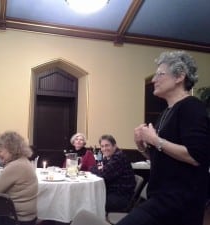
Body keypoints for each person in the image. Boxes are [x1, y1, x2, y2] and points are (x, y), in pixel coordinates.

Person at [117, 51, 210, 225]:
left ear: (180, 76)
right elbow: (161, 158)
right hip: (160, 197)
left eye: (160, 74)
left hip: (179, 202)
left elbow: (197, 157)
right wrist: (142, 147)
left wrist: (155, 140)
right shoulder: (166, 112)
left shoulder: (192, 107)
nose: (153, 80)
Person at [0, 131, 38, 225]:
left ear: (12, 149)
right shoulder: (23, 161)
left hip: (17, 220)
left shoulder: (15, 166)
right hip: (27, 217)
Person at [90, 134, 136, 212]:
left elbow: (103, 174)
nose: (104, 148)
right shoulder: (109, 157)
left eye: (107, 145)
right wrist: (97, 169)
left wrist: (92, 168)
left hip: (121, 197)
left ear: (114, 146)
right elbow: (100, 169)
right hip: (112, 192)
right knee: (90, 198)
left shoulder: (118, 157)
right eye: (102, 146)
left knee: (91, 203)